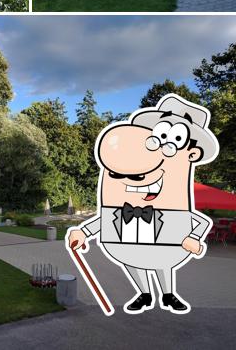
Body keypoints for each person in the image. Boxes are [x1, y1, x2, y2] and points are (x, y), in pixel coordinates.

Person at [67, 94, 219, 315]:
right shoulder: (128, 178)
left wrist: (193, 238)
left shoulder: (175, 198)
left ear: (192, 153)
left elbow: (200, 221)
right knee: (134, 262)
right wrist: (82, 232)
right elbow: (105, 220)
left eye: (173, 141)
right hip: (126, 246)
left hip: (167, 248)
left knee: (163, 262)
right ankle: (144, 293)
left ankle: (168, 295)